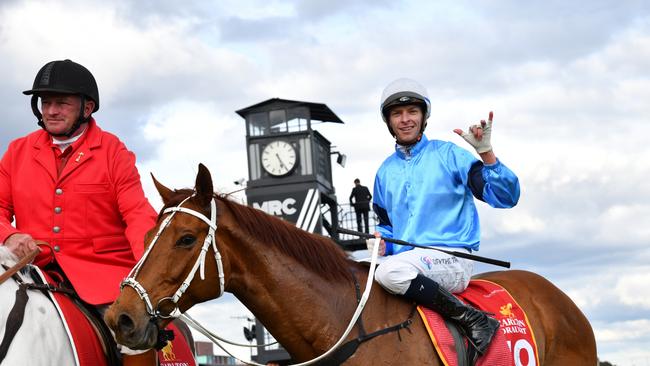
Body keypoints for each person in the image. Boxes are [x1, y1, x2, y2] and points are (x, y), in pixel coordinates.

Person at [0, 59, 158, 366]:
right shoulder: (17, 151)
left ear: (87, 108)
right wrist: (11, 234)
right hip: (34, 270)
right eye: (45, 103)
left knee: (136, 334)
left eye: (61, 103)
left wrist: (147, 276)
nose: (51, 111)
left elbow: (138, 215)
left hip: (103, 277)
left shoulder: (114, 152)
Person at [368, 78, 520, 358]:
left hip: (451, 257)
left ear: (423, 117)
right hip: (409, 262)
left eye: (412, 112)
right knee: (357, 271)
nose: (405, 120)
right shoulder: (383, 172)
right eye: (397, 114)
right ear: (388, 121)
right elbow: (387, 227)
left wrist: (486, 154)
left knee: (390, 272)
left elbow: (506, 197)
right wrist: (382, 244)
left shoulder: (449, 155)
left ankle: (474, 319)